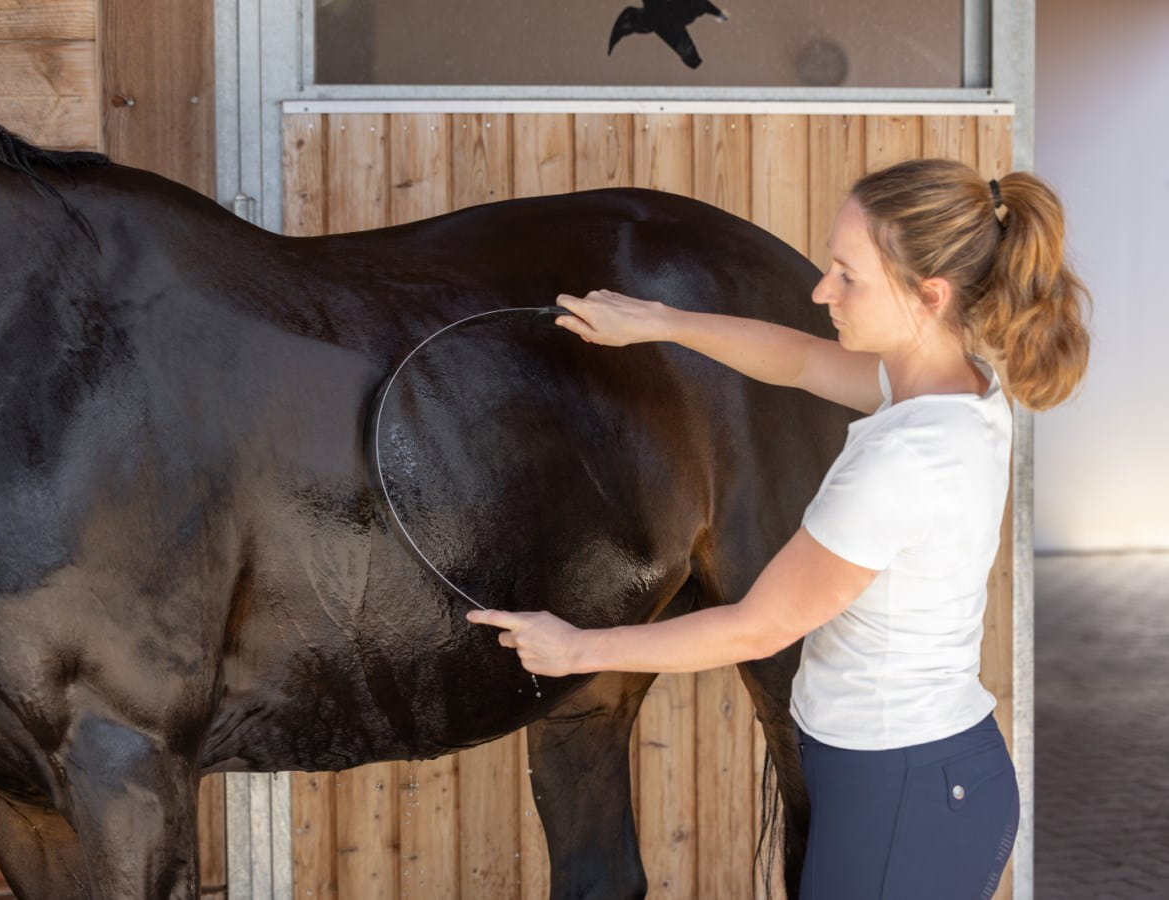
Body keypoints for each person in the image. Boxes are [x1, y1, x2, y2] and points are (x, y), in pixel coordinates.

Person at [467, 158, 1090, 899]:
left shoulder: (903, 459)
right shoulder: (955, 382)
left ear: (929, 296)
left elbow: (756, 629)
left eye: (848, 275)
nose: (823, 290)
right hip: (916, 772)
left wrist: (576, 649)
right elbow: (798, 362)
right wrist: (661, 324)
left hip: (903, 787)